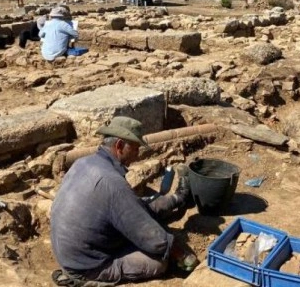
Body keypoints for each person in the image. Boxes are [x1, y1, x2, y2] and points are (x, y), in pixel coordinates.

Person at [50, 117, 193, 285]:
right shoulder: (113, 184)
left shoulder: (83, 162)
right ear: (119, 146)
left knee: (137, 210)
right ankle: (85, 281)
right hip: (86, 266)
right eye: (135, 148)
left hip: (68, 250)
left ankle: (178, 198)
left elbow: (135, 207)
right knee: (158, 262)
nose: (138, 154)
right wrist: (182, 256)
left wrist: (175, 200)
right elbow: (154, 239)